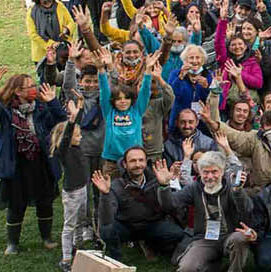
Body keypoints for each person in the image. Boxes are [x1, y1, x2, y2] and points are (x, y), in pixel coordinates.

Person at [157, 152, 256, 272]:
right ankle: (212, 265)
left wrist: (238, 191)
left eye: (214, 172)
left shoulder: (231, 187)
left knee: (240, 238)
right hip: (204, 238)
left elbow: (247, 210)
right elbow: (170, 205)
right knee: (186, 268)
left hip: (230, 235)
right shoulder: (194, 188)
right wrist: (164, 186)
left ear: (222, 171)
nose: (209, 176)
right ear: (199, 172)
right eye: (205, 172)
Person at [0, 77, 65, 255]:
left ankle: (47, 237)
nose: (33, 90)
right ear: (17, 91)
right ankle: (12, 243)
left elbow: (61, 120)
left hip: (41, 162)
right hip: (17, 165)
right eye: (28, 87)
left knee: (45, 201)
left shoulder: (41, 108)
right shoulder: (7, 111)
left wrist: (53, 101)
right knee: (16, 205)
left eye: (33, 86)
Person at [92, 146, 188, 260]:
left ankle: (150, 244)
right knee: (107, 230)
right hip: (127, 225)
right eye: (133, 161)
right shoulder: (116, 185)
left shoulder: (157, 178)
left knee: (177, 234)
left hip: (152, 224)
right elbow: (107, 219)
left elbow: (169, 207)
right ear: (124, 164)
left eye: (141, 160)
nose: (137, 164)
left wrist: (164, 186)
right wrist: (105, 195)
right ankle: (116, 258)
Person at [51, 103, 93, 271]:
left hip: (82, 189)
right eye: (78, 135)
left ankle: (79, 247)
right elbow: (69, 133)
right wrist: (72, 121)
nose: (80, 137)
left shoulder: (76, 147)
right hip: (72, 193)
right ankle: (66, 257)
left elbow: (76, 127)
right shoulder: (64, 150)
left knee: (81, 222)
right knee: (69, 225)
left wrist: (81, 109)